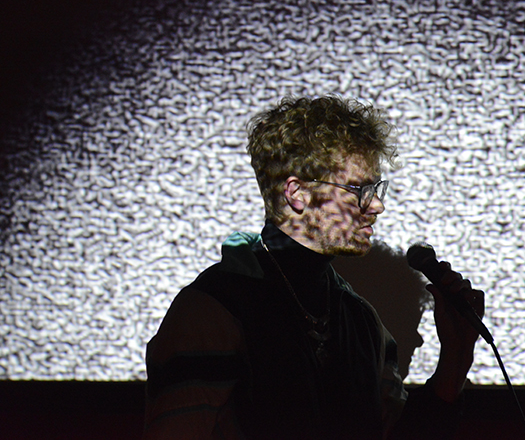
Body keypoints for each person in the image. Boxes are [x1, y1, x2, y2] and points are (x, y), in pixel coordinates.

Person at [143, 95, 485, 439]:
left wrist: (455, 359)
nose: (377, 205)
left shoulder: (361, 319)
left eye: (377, 189)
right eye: (360, 189)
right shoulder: (212, 310)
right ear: (297, 194)